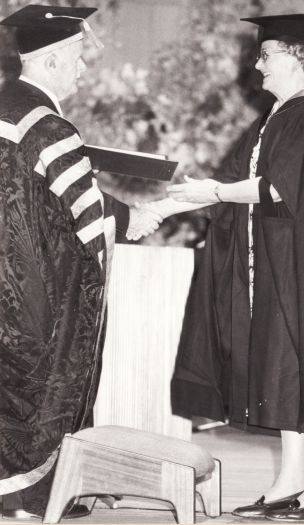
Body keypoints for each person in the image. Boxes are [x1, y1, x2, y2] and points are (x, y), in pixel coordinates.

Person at [131, 13, 304, 522]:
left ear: (297, 57)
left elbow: (276, 188)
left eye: (265, 55)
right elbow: (228, 183)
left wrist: (212, 192)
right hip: (278, 268)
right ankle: (291, 480)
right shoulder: (277, 119)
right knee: (284, 370)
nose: (256, 65)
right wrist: (158, 208)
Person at [0, 4, 162, 519]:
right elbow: (88, 218)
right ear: (49, 60)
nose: (82, 69)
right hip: (37, 294)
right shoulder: (49, 126)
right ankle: (36, 495)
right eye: (76, 58)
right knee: (39, 388)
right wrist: (133, 218)